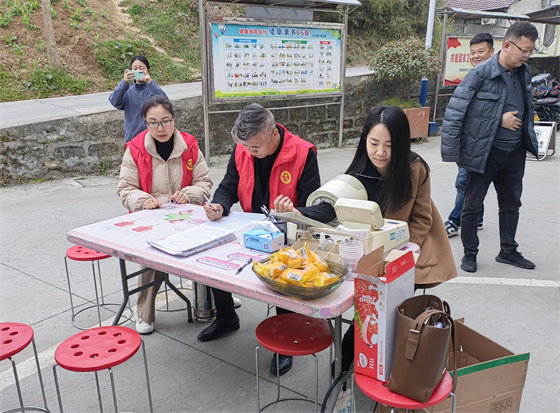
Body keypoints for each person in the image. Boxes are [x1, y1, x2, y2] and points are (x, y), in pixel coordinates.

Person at [277, 105, 458, 373]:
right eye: (374, 143)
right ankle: (350, 357)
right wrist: (299, 212)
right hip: (365, 249)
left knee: (390, 308)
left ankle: (375, 358)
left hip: (404, 249)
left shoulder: (415, 168)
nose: (380, 152)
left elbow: (422, 218)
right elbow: (331, 207)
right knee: (363, 305)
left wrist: (405, 253)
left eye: (389, 145)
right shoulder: (358, 171)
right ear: (365, 141)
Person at [199, 103, 321, 376]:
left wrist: (294, 211)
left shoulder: (303, 153)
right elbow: (229, 186)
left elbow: (314, 204)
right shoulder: (243, 148)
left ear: (273, 134)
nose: (249, 151)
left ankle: (285, 341)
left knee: (281, 278)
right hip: (254, 227)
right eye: (245, 146)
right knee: (215, 259)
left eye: (255, 147)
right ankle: (226, 316)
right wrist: (219, 205)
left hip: (288, 231)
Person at [441, 22, 539, 273]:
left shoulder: (524, 72)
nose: (527, 55)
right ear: (507, 45)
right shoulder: (480, 73)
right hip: (484, 152)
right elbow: (456, 113)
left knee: (511, 204)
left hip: (514, 151)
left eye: (531, 51)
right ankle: (470, 254)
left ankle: (508, 250)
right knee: (472, 205)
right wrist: (498, 120)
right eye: (524, 50)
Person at [117, 95, 212, 334]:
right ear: (145, 123)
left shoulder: (190, 145)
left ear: (174, 120)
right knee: (151, 259)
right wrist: (144, 200)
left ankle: (218, 298)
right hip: (152, 219)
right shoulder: (135, 149)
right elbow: (125, 188)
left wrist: (188, 194)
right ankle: (144, 313)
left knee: (208, 249)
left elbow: (204, 182)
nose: (161, 128)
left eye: (166, 121)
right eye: (154, 122)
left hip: (187, 215)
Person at [444, 33, 495, 237]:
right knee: (472, 183)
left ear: (492, 52)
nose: (476, 56)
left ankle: (454, 220)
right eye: (472, 52)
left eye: (481, 51)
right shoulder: (473, 76)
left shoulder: (496, 79)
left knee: (463, 183)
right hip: (467, 142)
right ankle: (478, 218)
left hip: (481, 144)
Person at [109, 55, 168, 143]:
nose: (138, 71)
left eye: (141, 68)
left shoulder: (153, 89)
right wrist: (124, 82)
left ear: (148, 70)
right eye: (135, 69)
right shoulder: (127, 91)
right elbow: (114, 101)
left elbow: (166, 103)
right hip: (133, 139)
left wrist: (150, 83)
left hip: (153, 138)